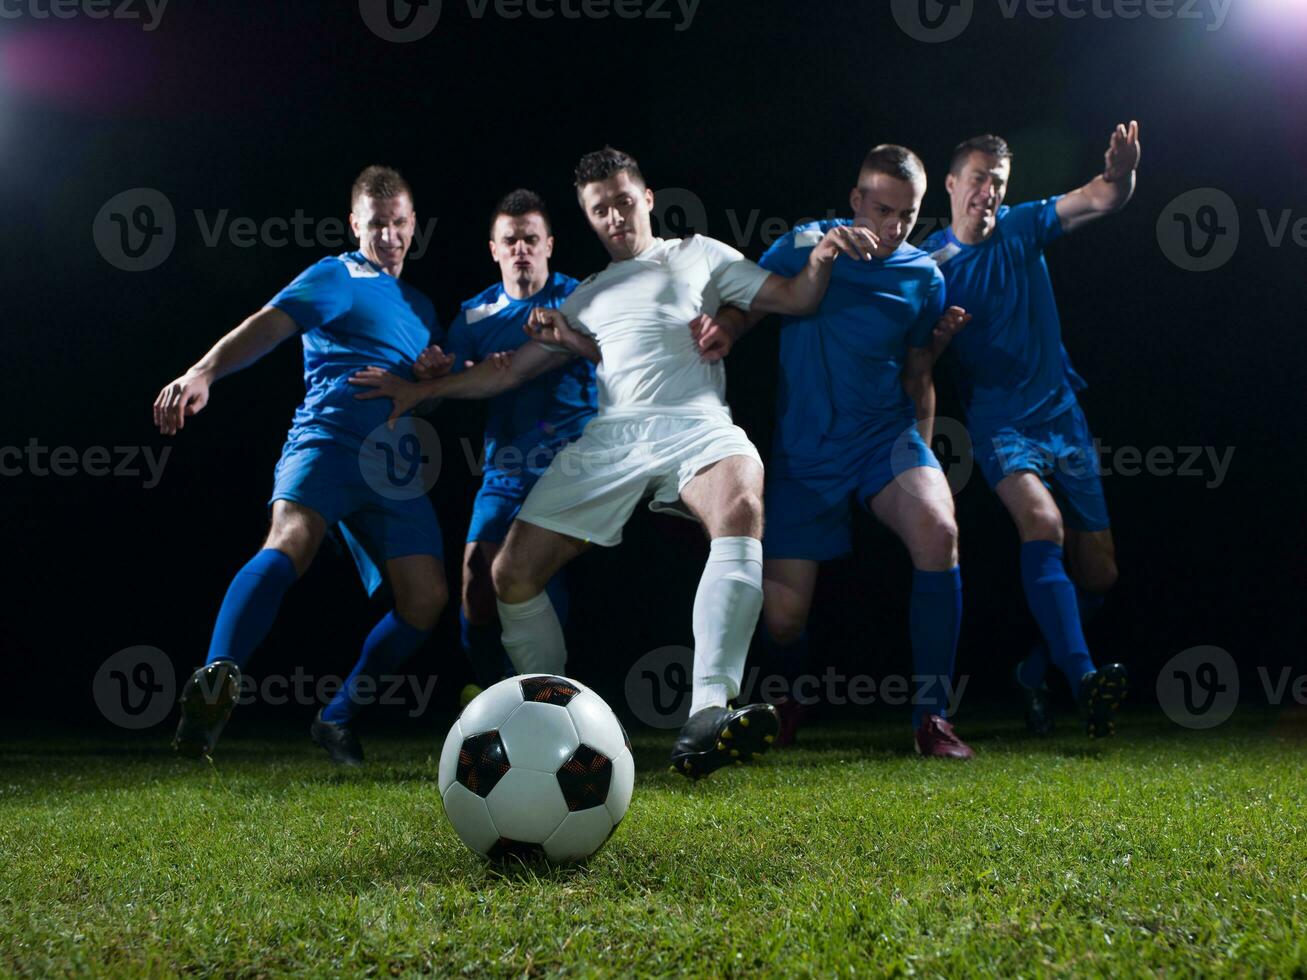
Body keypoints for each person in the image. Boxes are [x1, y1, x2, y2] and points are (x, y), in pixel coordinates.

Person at [350, 146, 880, 778]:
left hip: (695, 425)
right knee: (511, 575)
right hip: (612, 439)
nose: (615, 218)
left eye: (624, 203)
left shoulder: (700, 254)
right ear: (589, 218)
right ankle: (551, 724)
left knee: (742, 497)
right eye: (600, 210)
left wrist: (820, 258)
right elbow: (502, 375)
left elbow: (796, 298)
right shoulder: (588, 297)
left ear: (647, 199)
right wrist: (420, 390)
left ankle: (707, 715)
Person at [153, 166, 448, 765]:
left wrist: (432, 379)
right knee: (291, 542)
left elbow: (421, 394)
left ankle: (336, 718)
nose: (388, 236)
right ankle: (218, 676)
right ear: (354, 225)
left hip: (394, 467)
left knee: (427, 600)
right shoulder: (338, 274)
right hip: (329, 441)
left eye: (398, 224)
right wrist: (204, 372)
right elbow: (269, 323)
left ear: (414, 225)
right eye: (376, 225)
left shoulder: (421, 308)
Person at [696, 145, 976, 758]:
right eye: (881, 210)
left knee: (937, 529)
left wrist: (921, 459)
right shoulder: (803, 243)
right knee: (781, 621)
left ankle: (932, 718)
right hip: (806, 453)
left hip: (884, 439)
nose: (893, 226)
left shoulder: (924, 277)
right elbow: (750, 300)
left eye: (907, 215)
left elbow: (917, 368)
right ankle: (794, 695)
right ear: (855, 201)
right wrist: (726, 330)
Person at [919, 123, 1141, 737]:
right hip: (999, 427)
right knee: (1041, 523)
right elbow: (909, 362)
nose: (988, 192)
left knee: (1100, 575)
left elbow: (1101, 197)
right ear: (951, 184)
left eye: (998, 182)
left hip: (1063, 415)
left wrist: (1121, 171)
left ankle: (1035, 671)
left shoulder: (1024, 225)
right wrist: (937, 340)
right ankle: (1084, 680)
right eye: (978, 180)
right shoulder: (930, 268)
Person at [435, 189, 597, 694]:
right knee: (476, 588)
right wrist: (441, 370)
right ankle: (490, 692)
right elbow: (445, 385)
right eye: (511, 240)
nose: (521, 248)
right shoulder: (474, 316)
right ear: (494, 249)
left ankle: (540, 692)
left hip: (568, 464)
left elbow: (617, 355)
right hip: (504, 467)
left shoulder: (580, 299)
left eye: (531, 238)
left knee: (539, 578)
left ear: (549, 244)